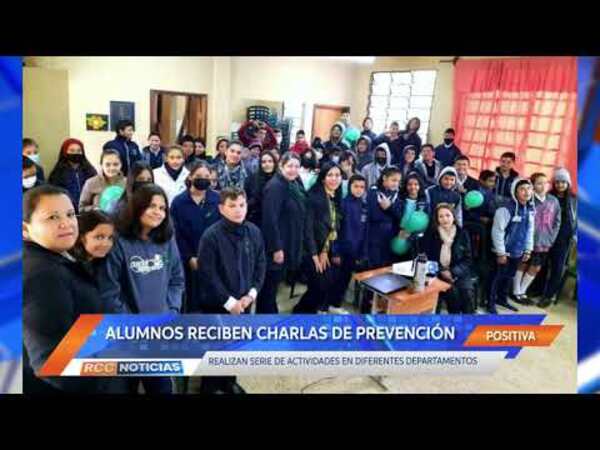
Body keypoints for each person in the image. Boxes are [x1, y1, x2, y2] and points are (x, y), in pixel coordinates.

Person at [98, 183, 184, 394]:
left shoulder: (167, 238)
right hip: (126, 334)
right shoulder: (117, 241)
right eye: (152, 206)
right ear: (137, 207)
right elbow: (110, 292)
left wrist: (171, 311)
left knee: (162, 388)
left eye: (162, 208)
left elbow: (177, 279)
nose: (158, 212)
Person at [23, 185, 107, 394]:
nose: (66, 223)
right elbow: (52, 362)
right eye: (52, 217)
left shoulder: (53, 256)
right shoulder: (42, 274)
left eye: (70, 214)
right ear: (25, 229)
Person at [196, 187, 266, 394]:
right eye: (232, 205)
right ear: (221, 208)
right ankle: (209, 386)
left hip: (244, 302)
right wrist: (229, 302)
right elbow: (208, 274)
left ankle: (229, 381)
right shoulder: (211, 236)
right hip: (217, 304)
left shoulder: (253, 231)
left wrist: (251, 294)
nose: (238, 210)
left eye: (242, 205)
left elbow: (261, 263)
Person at [259, 153, 307, 313]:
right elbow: (269, 220)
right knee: (269, 287)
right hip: (276, 245)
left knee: (274, 285)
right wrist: (276, 248)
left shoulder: (293, 183)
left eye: (296, 166)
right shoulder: (275, 186)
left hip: (289, 240)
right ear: (281, 166)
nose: (293, 170)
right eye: (289, 166)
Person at [293, 162, 344, 314]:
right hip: (310, 249)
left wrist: (327, 251)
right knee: (319, 286)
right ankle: (300, 313)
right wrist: (315, 255)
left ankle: (310, 312)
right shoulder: (314, 197)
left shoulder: (336, 197)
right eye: (330, 175)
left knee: (326, 284)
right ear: (323, 178)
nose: (334, 179)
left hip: (326, 248)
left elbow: (334, 226)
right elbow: (307, 229)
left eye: (337, 175)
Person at [170, 161, 221, 312]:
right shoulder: (179, 202)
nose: (203, 179)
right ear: (190, 177)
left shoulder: (217, 200)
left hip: (213, 258)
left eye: (207, 176)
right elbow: (175, 233)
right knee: (191, 300)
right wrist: (189, 257)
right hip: (188, 260)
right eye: (199, 176)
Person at [512, 172, 561, 306]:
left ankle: (522, 291)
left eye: (546, 183)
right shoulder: (529, 199)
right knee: (522, 264)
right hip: (527, 240)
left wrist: (551, 238)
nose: (543, 185)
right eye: (539, 183)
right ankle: (516, 291)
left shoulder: (553, 201)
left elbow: (557, 222)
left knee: (535, 267)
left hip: (544, 241)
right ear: (532, 186)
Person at [489, 178, 535, 314]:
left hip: (518, 251)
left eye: (529, 189)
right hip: (503, 252)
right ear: (515, 192)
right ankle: (489, 302)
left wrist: (528, 249)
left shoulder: (530, 209)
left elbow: (530, 230)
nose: (526, 192)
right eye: (522, 189)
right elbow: (497, 231)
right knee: (496, 278)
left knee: (509, 277)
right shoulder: (505, 209)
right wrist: (501, 253)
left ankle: (502, 299)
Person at [420, 203, 475, 314]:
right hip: (437, 271)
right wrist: (441, 270)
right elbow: (427, 257)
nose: (445, 219)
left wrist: (453, 272)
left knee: (467, 293)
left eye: (447, 215)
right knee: (452, 293)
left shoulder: (462, 233)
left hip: (458, 271)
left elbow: (468, 259)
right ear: (437, 219)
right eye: (441, 216)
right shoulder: (431, 234)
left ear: (453, 217)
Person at [330, 174, 368, 312]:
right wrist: (335, 251)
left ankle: (336, 303)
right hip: (342, 250)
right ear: (349, 186)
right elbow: (335, 230)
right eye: (356, 186)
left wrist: (362, 252)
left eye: (362, 187)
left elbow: (364, 231)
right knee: (337, 280)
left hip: (355, 250)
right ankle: (332, 305)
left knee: (345, 279)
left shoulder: (364, 205)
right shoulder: (343, 204)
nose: (359, 190)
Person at [541, 168, 577, 307]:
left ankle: (549, 296)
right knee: (542, 265)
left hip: (564, 237)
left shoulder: (574, 200)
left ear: (568, 183)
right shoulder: (548, 197)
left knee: (557, 267)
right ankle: (537, 290)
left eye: (563, 182)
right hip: (547, 235)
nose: (560, 185)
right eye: (557, 182)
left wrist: (574, 235)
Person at [366, 166, 404, 270]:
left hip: (390, 236)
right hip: (374, 236)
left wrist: (389, 207)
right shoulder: (374, 192)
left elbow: (400, 217)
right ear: (384, 178)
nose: (396, 183)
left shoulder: (397, 195)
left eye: (398, 181)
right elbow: (374, 214)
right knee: (374, 268)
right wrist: (390, 212)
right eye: (393, 180)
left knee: (387, 268)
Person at [48, 138, 97, 212]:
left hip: (87, 211)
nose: (76, 153)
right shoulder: (58, 173)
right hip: (67, 210)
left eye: (79, 151)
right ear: (65, 152)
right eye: (72, 150)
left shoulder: (90, 170)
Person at [399, 172, 430, 258]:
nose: (413, 187)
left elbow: (426, 220)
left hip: (416, 237)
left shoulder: (424, 202)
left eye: (416, 184)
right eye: (409, 184)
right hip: (401, 235)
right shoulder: (400, 200)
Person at [244, 150, 277, 228]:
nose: (267, 164)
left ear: (274, 163)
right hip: (256, 221)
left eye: (270, 161)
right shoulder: (252, 179)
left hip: (274, 220)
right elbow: (246, 199)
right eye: (264, 162)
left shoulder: (279, 179)